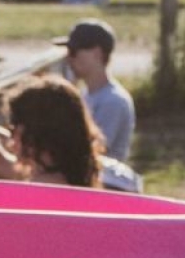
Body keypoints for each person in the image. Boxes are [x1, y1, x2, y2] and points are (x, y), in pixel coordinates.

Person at [52, 19, 136, 161]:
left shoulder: (113, 100)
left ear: (96, 54)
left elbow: (93, 151)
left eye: (73, 52)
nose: (69, 58)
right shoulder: (85, 94)